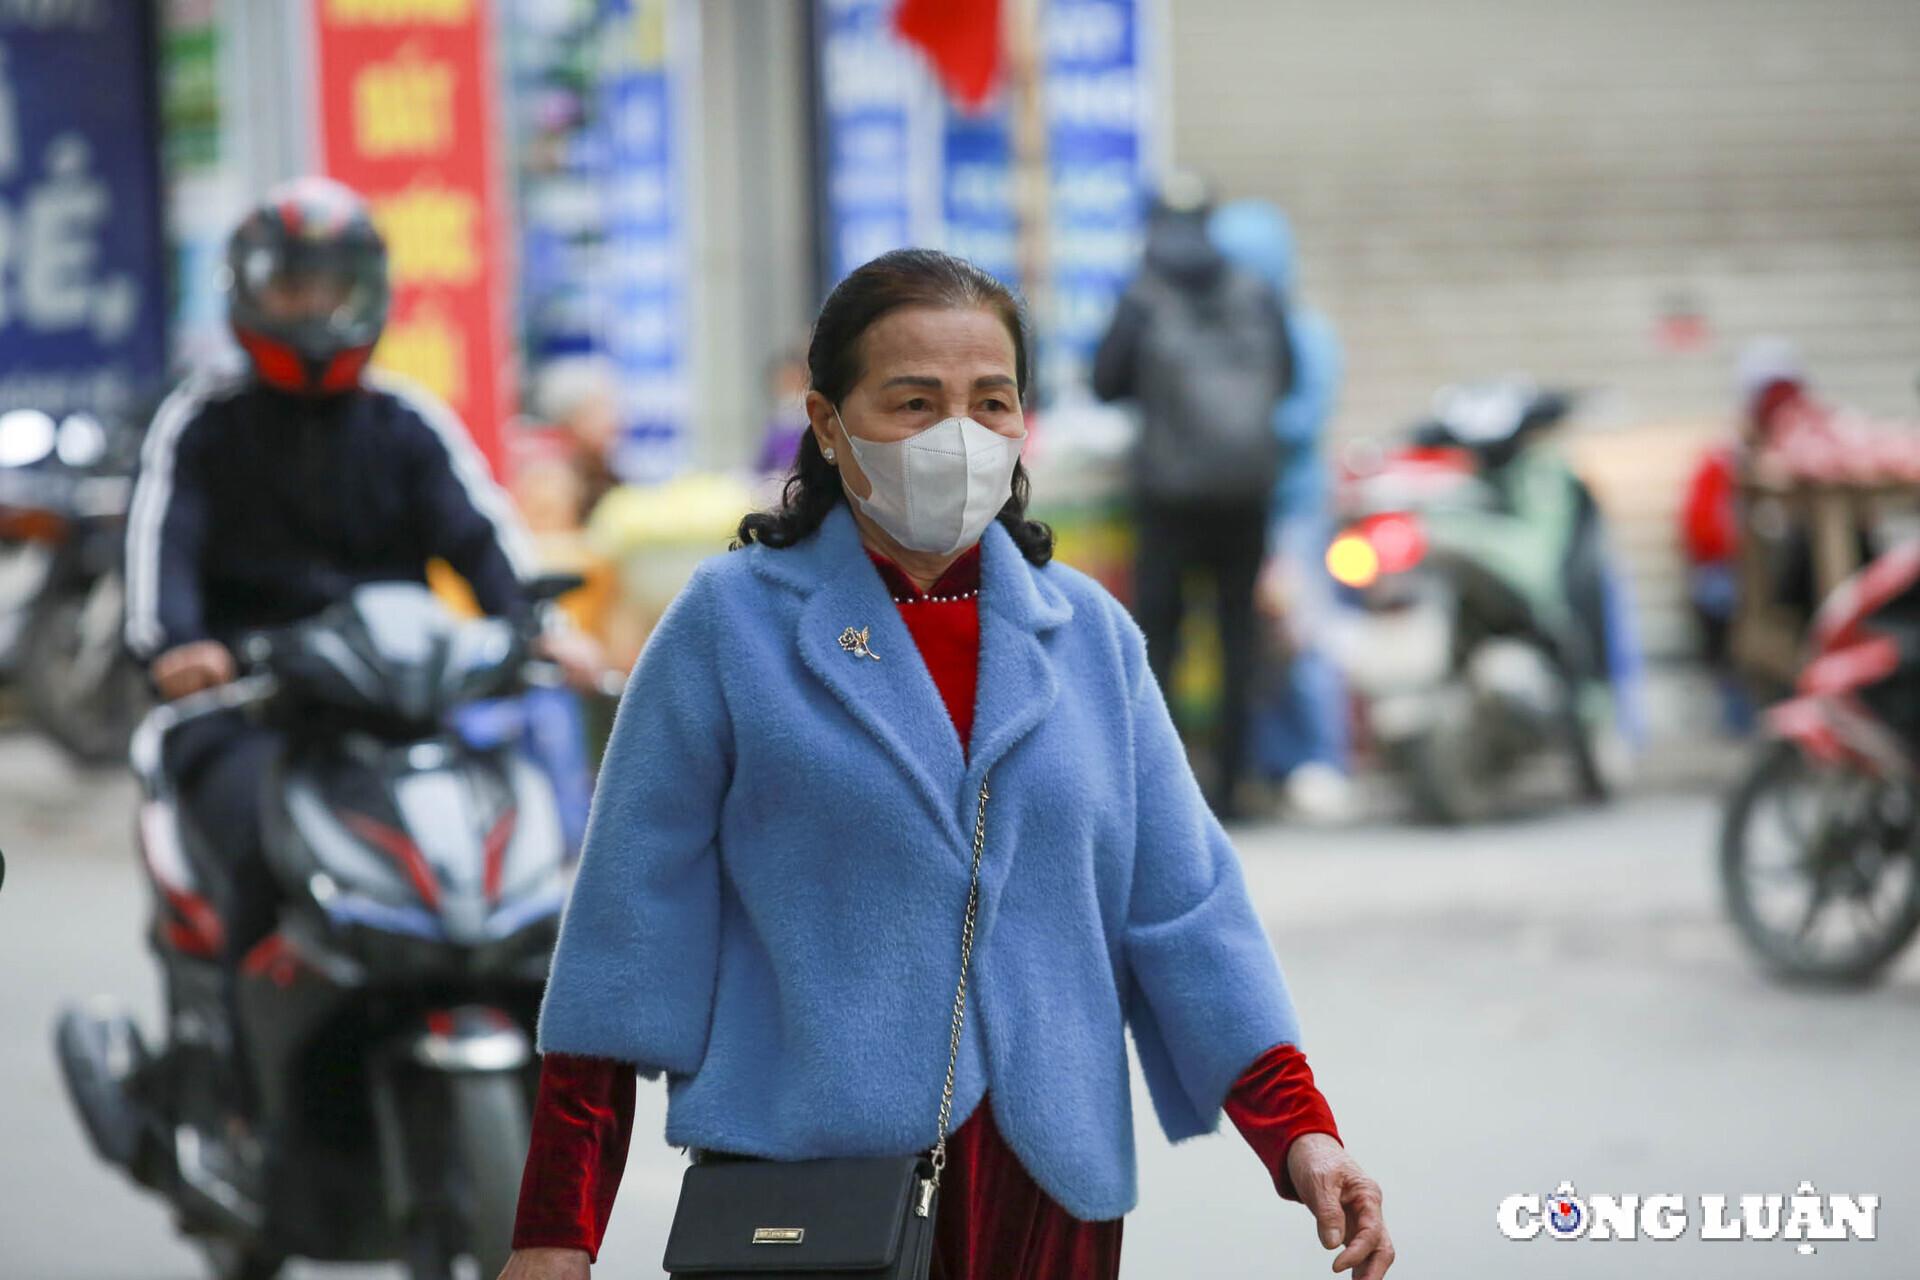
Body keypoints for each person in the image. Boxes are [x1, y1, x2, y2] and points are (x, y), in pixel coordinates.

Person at [502, 249, 1392, 1280]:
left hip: (1047, 1199)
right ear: (828, 423)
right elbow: (627, 943)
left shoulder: (1089, 639)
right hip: (808, 1197)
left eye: (991, 402)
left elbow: (1187, 915)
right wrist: (555, 1231)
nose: (957, 437)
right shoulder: (727, 628)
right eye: (913, 402)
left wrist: (1303, 1135)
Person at [124, 176, 601, 1113]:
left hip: (400, 709)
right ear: (247, 294)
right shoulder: (202, 425)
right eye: (290, 285)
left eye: (330, 285)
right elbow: (161, 567)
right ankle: (239, 1089)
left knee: (514, 852)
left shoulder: (407, 421)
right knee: (262, 852)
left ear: (370, 293)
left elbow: (483, 541)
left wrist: (546, 631)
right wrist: (178, 649)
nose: (311, 306)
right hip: (252, 715)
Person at [1092, 175, 1294, 822]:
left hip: (1169, 497)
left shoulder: (1143, 295)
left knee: (1163, 642)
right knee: (1238, 639)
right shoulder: (1257, 292)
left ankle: (1168, 794)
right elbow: (1287, 379)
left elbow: (1104, 383)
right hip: (1246, 494)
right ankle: (1233, 791)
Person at [1208, 199, 1354, 821]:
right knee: (1255, 643)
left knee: (1302, 632)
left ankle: (1321, 757)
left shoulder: (1304, 334)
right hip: (1240, 508)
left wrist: (1228, 430)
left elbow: (1302, 419)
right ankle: (1271, 760)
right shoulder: (1222, 331)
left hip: (1291, 508)